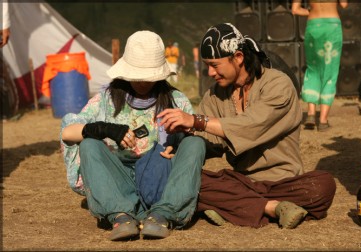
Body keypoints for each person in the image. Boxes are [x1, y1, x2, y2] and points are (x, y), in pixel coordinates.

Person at [157, 23, 336, 229]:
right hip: (241, 182)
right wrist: (181, 146)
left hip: (284, 183)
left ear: (239, 57)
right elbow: (213, 142)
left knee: (323, 184)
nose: (210, 72)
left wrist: (197, 121)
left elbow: (251, 125)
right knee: (188, 177)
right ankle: (271, 208)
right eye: (207, 65)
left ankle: (233, 206)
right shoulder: (214, 96)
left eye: (215, 65)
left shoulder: (278, 84)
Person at [60, 31, 205, 241]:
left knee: (195, 143)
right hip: (117, 179)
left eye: (149, 77)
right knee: (88, 144)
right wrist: (103, 129)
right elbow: (68, 131)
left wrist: (177, 144)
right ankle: (120, 215)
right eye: (138, 75)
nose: (143, 82)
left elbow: (189, 148)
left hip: (161, 179)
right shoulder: (106, 99)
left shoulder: (176, 100)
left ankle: (164, 214)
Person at [292, 0, 348, 131]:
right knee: (330, 71)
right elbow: (344, 4)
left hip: (314, 25)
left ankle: (311, 114)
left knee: (313, 69)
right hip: (332, 26)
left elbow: (295, 9)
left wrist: (310, 10)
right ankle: (323, 121)